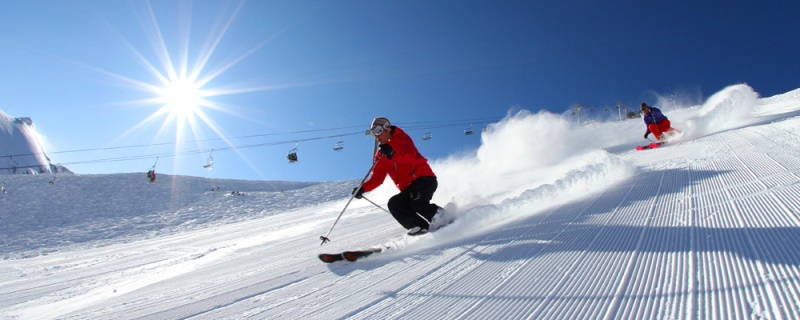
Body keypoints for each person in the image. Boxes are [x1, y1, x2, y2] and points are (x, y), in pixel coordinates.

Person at [353, 117, 442, 235]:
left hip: (423, 179)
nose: (376, 135)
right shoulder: (380, 154)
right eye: (373, 132)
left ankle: (444, 217)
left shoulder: (401, 138)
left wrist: (392, 154)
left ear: (387, 129)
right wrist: (363, 188)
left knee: (416, 203)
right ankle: (420, 227)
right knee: (395, 204)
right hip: (407, 188)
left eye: (378, 131)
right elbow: (377, 178)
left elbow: (411, 156)